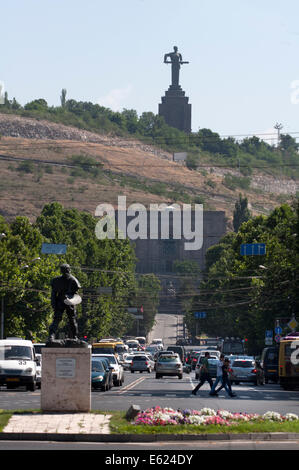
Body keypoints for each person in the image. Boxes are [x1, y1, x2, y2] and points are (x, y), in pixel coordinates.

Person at [48, 263, 81, 341]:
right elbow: (54, 293)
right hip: (63, 301)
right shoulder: (59, 280)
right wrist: (53, 303)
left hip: (67, 301)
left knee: (70, 319)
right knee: (60, 319)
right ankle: (52, 335)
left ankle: (74, 336)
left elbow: (76, 290)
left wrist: (53, 303)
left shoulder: (72, 280)